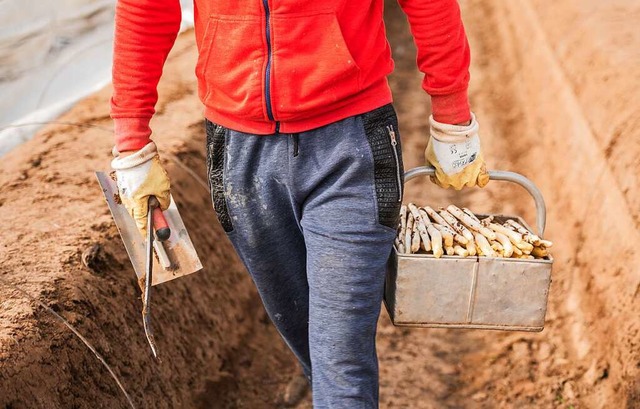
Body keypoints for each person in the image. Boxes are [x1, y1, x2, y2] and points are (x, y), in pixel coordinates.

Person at [110, 0, 489, 406]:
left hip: (351, 143)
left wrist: (451, 112)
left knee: (341, 354)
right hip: (241, 154)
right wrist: (132, 142)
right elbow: (145, 7)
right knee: (306, 333)